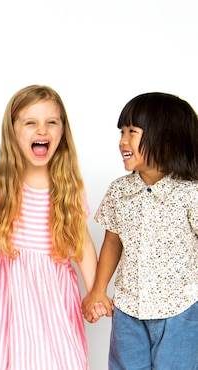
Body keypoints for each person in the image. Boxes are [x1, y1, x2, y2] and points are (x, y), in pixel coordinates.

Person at [0, 85, 98, 370]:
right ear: (13, 131)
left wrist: (95, 292)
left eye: (51, 122)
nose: (42, 130)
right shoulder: (1, 183)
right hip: (12, 289)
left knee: (64, 358)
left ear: (62, 131)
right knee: (11, 357)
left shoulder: (68, 188)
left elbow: (83, 244)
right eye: (31, 122)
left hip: (55, 290)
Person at [82, 92, 198, 369]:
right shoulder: (120, 191)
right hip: (128, 310)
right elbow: (112, 243)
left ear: (166, 136)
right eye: (122, 131)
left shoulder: (190, 193)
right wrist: (98, 290)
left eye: (132, 131)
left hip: (180, 309)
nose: (123, 140)